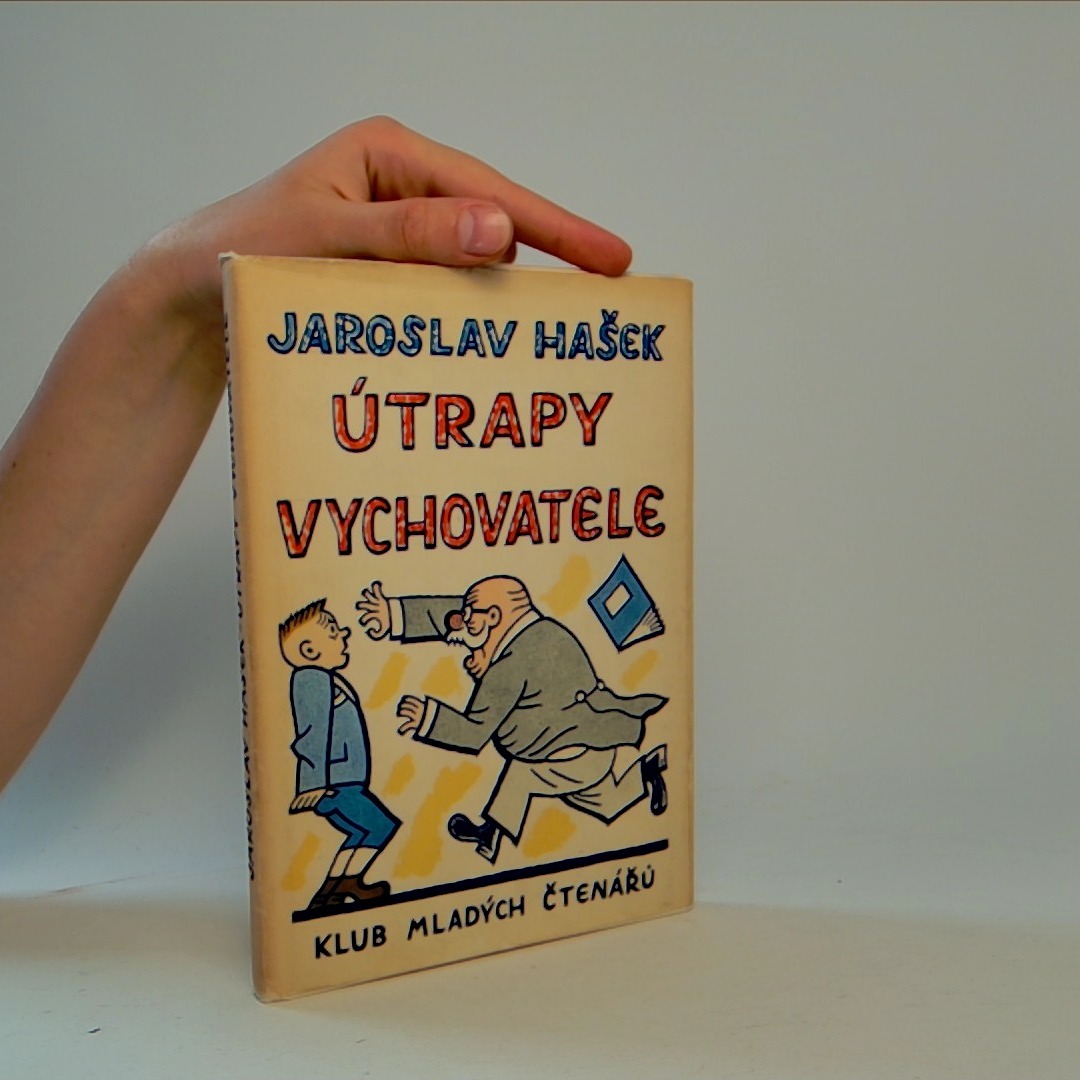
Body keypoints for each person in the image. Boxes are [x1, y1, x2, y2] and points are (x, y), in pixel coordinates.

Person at [0, 117, 632, 794]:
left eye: (478, 620)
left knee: (549, 786)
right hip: (535, 750)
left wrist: (177, 303)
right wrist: (179, 300)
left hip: (569, 748)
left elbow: (476, 719)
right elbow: (457, 611)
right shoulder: (497, 624)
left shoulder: (518, 653)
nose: (465, 624)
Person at [356, 576, 668, 864]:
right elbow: (458, 617)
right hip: (592, 746)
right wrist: (394, 614)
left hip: (568, 755)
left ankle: (490, 834)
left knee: (520, 776)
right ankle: (648, 768)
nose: (463, 622)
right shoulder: (542, 629)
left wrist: (427, 718)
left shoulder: (510, 665)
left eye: (470, 615)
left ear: (494, 617)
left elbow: (473, 732)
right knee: (608, 802)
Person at [279, 599, 398, 909]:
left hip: (346, 780)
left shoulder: (325, 678)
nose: (343, 633)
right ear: (309, 650)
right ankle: (341, 886)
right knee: (380, 826)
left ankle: (334, 891)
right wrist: (312, 784)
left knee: (363, 831)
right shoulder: (311, 679)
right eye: (332, 631)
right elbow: (312, 733)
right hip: (335, 783)